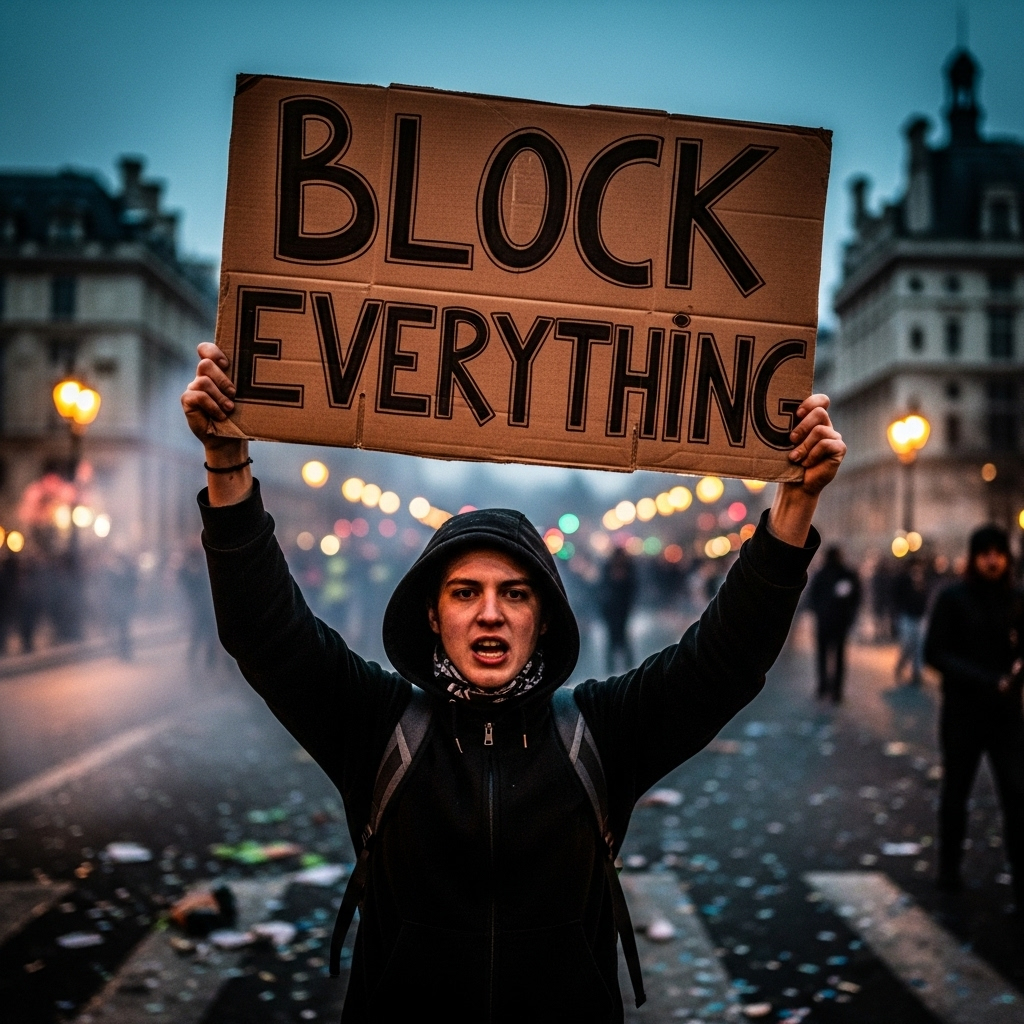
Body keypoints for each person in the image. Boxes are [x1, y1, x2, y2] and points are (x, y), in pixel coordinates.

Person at [182, 342, 845, 1022]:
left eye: (516, 594)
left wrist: (791, 511)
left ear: (546, 621)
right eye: (465, 592)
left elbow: (723, 663)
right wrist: (227, 467)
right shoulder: (378, 727)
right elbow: (267, 633)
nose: (491, 612)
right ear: (433, 618)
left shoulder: (598, 733)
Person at [924, 525, 1024, 914]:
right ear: (974, 556)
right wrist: (986, 680)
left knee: (1016, 798)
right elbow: (936, 653)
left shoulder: (1017, 600)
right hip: (963, 713)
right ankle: (949, 870)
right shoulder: (953, 599)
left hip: (1006, 717)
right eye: (986, 553)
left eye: (999, 552)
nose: (993, 560)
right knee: (956, 794)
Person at [807, 546, 861, 703]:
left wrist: (820, 612)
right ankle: (836, 689)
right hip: (840, 622)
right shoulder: (847, 574)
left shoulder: (821, 574)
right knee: (838, 657)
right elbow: (856, 597)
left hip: (825, 623)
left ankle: (824, 686)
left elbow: (812, 598)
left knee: (823, 655)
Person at [599, 547, 637, 671]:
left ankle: (628, 665)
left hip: (622, 608)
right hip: (611, 608)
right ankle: (611, 667)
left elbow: (632, 588)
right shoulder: (608, 567)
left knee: (623, 636)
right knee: (612, 637)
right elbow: (602, 586)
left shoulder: (629, 567)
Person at [892, 557, 929, 685]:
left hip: (919, 617)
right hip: (907, 616)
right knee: (907, 645)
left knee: (919, 646)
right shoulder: (903, 580)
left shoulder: (923, 581)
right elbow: (896, 597)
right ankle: (901, 665)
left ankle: (917, 672)